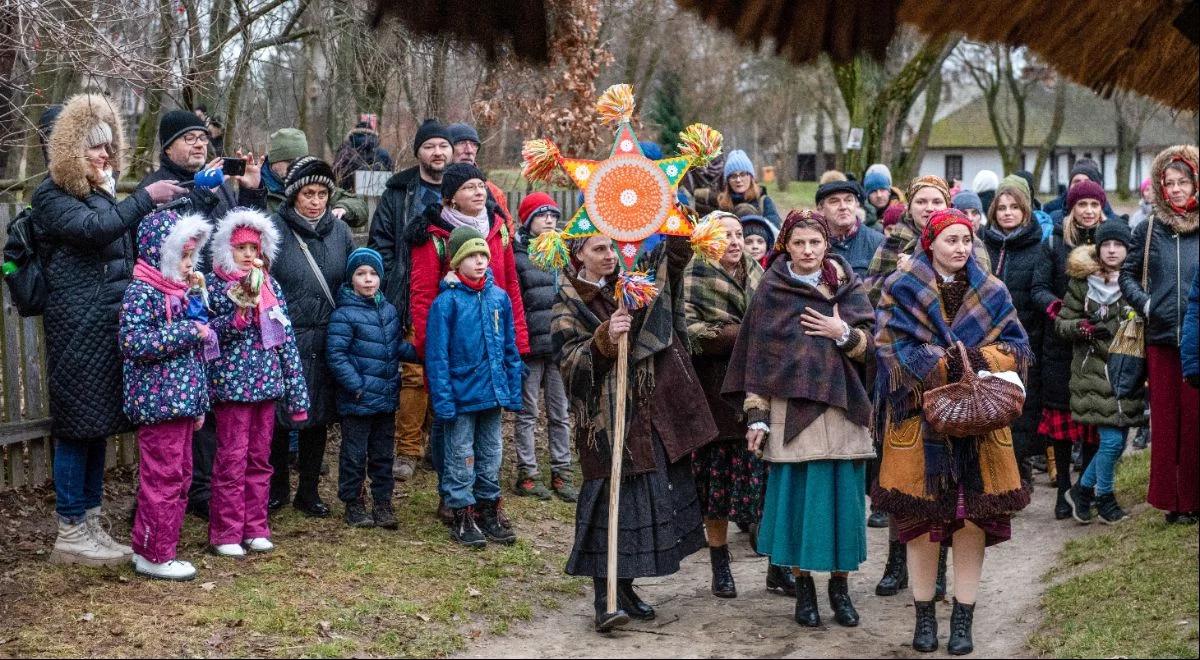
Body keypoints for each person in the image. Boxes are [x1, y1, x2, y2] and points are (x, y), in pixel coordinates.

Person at [873, 208, 1032, 655]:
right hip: (919, 423)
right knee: (922, 525)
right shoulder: (900, 288)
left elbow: (1018, 346)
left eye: (966, 239)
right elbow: (888, 350)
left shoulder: (992, 290)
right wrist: (941, 364)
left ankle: (963, 620)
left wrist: (980, 362)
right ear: (930, 243)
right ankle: (924, 618)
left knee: (971, 524)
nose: (961, 248)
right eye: (951, 240)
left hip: (981, 425)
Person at [34, 94, 184, 565]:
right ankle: (70, 528)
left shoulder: (100, 193)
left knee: (96, 427)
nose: (106, 155)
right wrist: (143, 197)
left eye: (107, 147)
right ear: (69, 151)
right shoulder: (51, 196)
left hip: (105, 328)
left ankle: (92, 521)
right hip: (77, 330)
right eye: (95, 148)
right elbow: (96, 230)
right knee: (77, 429)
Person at [554, 232, 717, 632]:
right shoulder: (567, 305)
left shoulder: (631, 288)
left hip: (644, 417)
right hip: (605, 424)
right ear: (579, 257)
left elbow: (667, 279)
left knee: (637, 505)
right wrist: (605, 338)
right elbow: (569, 366)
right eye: (598, 249)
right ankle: (603, 600)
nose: (609, 256)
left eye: (612, 248)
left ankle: (624, 588)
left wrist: (678, 240)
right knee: (606, 507)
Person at [723, 209, 875, 628]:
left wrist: (840, 333)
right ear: (785, 246)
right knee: (800, 508)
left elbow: (871, 348)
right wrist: (757, 417)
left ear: (827, 245)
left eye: (815, 243)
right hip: (791, 416)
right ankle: (803, 589)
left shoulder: (846, 284)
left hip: (842, 410)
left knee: (843, 507)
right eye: (799, 243)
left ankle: (840, 590)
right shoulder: (772, 290)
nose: (808, 251)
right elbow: (756, 360)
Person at [137, 109, 267, 521]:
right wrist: (202, 192)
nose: (198, 144)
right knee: (185, 407)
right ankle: (187, 494)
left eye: (202, 138)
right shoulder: (157, 188)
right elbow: (169, 242)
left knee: (213, 400)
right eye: (188, 138)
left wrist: (250, 193)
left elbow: (239, 238)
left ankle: (208, 488)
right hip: (177, 307)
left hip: (222, 304)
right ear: (167, 146)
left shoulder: (219, 186)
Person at [406, 163, 529, 521]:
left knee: (487, 430)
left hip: (492, 338)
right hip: (453, 349)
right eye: (470, 187)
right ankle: (452, 494)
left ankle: (485, 496)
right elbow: (423, 297)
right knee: (452, 425)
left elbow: (511, 288)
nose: (480, 192)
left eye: (482, 185)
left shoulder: (498, 228)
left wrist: (517, 342)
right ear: (451, 197)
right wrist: (430, 353)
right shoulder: (433, 235)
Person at [681, 211, 776, 599]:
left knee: (767, 487)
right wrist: (740, 334)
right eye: (725, 236)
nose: (735, 242)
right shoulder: (694, 275)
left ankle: (778, 567)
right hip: (715, 394)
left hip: (760, 391)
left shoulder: (761, 274)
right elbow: (686, 332)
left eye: (739, 234)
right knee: (716, 490)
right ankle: (720, 564)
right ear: (706, 241)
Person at [205, 208, 308, 556]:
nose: (249, 254)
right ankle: (226, 532)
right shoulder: (215, 287)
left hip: (267, 385)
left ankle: (255, 526)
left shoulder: (270, 286)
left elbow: (285, 338)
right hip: (232, 387)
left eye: (254, 248)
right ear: (226, 250)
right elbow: (207, 337)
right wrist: (235, 318)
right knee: (231, 460)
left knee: (261, 459)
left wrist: (296, 393)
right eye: (241, 248)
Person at [119, 209, 214, 580]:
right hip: (158, 405)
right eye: (183, 256)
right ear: (161, 253)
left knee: (181, 476)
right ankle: (155, 553)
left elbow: (194, 360)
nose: (189, 264)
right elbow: (134, 342)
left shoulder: (179, 293)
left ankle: (156, 547)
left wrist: (199, 403)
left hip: (181, 404)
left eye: (192, 256)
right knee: (164, 479)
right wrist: (189, 331)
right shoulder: (142, 292)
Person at [267, 156, 357, 517]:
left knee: (317, 417)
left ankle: (309, 491)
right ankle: (277, 490)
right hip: (286, 338)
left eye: (322, 193)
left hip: (327, 337)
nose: (315, 200)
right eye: (308, 193)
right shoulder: (275, 230)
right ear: (293, 196)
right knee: (279, 416)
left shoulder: (340, 233)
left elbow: (351, 280)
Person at [426, 227, 525, 546]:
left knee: (491, 454)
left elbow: (509, 347)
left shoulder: (499, 298)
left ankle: (489, 508)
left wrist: (512, 389)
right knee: (460, 456)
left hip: (492, 395)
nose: (480, 261)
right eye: (471, 256)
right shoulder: (446, 303)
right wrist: (443, 401)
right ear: (456, 262)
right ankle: (462, 512)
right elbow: (437, 356)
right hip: (460, 397)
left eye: (483, 254)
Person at [369, 118, 452, 482]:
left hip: (454, 295)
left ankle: (441, 445)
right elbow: (381, 241)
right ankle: (407, 449)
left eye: (443, 146)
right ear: (419, 151)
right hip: (410, 296)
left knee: (449, 370)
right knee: (414, 375)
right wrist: (393, 281)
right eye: (430, 146)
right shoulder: (399, 192)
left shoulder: (465, 187)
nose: (437, 152)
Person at [1120, 144, 1199, 524]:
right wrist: (1148, 304)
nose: (1177, 189)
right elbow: (1127, 276)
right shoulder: (1149, 228)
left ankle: (1195, 498)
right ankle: (1173, 501)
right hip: (1162, 339)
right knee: (1166, 425)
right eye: (1169, 183)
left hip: (1197, 341)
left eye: (1183, 181)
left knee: (1196, 421)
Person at [1057, 220, 1143, 524]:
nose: (1111, 249)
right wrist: (1086, 328)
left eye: (1118, 245)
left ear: (1127, 249)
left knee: (1118, 441)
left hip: (1126, 371)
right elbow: (1063, 323)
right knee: (1110, 442)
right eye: (1106, 244)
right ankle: (1103, 497)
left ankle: (1082, 490)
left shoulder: (1135, 281)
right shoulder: (1082, 282)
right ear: (1098, 248)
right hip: (1092, 371)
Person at [1032, 180, 1108, 519]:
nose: (1088, 211)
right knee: (1062, 423)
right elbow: (1039, 287)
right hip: (1060, 345)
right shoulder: (1054, 244)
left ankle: (1086, 489)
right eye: (1082, 205)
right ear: (1072, 209)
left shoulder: (1112, 242)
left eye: (1094, 204)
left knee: (1092, 419)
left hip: (1098, 345)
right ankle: (1063, 488)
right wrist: (1058, 310)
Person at [327, 248, 418, 529]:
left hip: (386, 399)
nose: (368, 279)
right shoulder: (344, 314)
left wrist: (420, 352)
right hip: (358, 399)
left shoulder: (388, 310)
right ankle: (353, 502)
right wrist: (356, 385)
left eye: (373, 273)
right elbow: (337, 355)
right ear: (351, 279)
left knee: (382, 454)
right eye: (361, 274)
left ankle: (383, 502)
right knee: (354, 455)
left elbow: (393, 347)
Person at [981, 176, 1047, 488]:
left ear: (1026, 210)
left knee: (1021, 412)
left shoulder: (1038, 248)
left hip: (1026, 340)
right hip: (988, 343)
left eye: (1015, 207)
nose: (1008, 213)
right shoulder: (982, 246)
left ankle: (1020, 476)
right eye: (1002, 207)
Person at [512, 193, 577, 502]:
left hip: (558, 346)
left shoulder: (562, 254)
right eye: (542, 215)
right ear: (528, 221)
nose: (550, 219)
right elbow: (517, 301)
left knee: (559, 411)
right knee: (527, 412)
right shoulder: (517, 255)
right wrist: (520, 344)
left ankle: (562, 471)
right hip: (530, 348)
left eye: (553, 214)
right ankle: (528, 472)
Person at [866, 175, 991, 304]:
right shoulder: (893, 243)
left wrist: (917, 268)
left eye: (937, 202)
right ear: (909, 208)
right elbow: (872, 295)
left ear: (948, 206)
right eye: (921, 202)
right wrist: (899, 275)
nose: (929, 208)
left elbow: (985, 291)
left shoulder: (970, 242)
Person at [264, 128, 369, 228]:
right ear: (274, 161)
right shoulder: (257, 189)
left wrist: (343, 208)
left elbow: (359, 206)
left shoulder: (311, 182)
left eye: (300, 160)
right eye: (289, 161)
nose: (296, 166)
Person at [447, 122, 514, 229]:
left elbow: (508, 231)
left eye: (474, 144)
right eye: (461, 143)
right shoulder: (431, 186)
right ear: (447, 148)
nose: (469, 150)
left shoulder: (494, 192)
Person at [691, 149, 781, 228]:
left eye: (743, 174)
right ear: (728, 181)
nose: (738, 180)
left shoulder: (764, 201)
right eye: (733, 176)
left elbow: (775, 230)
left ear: (751, 177)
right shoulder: (721, 203)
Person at [817, 179, 884, 277]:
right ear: (821, 209)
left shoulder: (879, 243)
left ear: (857, 205)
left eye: (848, 200)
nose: (843, 207)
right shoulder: (812, 243)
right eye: (834, 201)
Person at [1043, 158, 1120, 222]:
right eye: (1077, 182)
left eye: (1087, 182)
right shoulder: (1053, 217)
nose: (1082, 186)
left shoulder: (1112, 222)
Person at [332, 121, 394, 193]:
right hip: (377, 196)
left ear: (353, 134)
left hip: (348, 196)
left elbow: (335, 173)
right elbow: (390, 177)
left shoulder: (344, 151)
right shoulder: (383, 154)